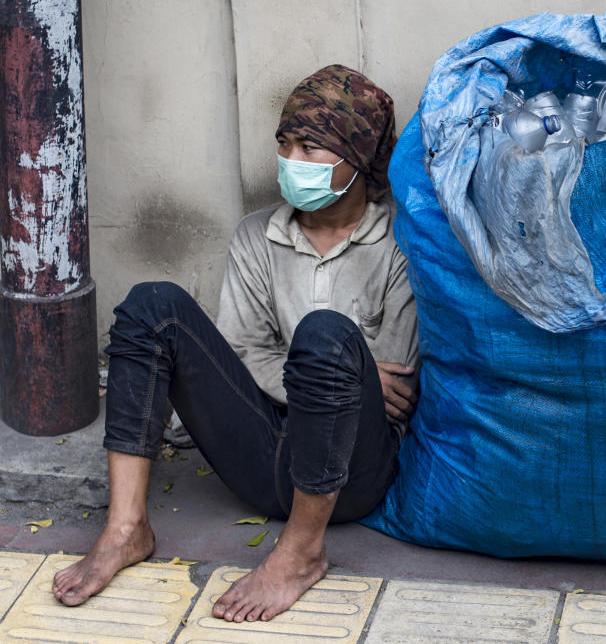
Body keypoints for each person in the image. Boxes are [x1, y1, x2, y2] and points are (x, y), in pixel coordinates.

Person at [51, 65, 418, 622]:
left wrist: (320, 367)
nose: (292, 160)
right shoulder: (256, 234)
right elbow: (244, 353)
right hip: (261, 456)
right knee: (152, 304)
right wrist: (333, 380)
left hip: (353, 475)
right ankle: (125, 528)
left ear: (360, 159)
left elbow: (396, 386)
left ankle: (300, 552)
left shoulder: (400, 244)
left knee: (324, 334)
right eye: (285, 143)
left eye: (312, 147)